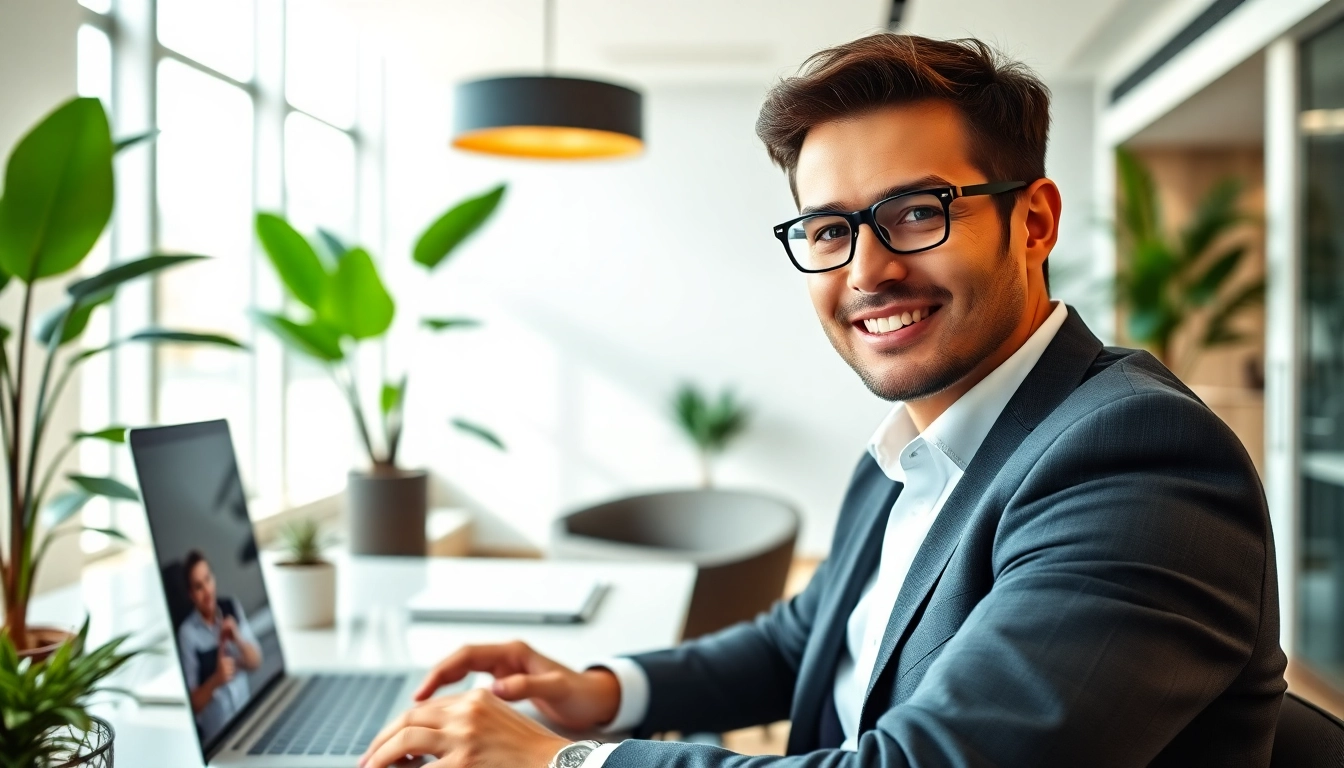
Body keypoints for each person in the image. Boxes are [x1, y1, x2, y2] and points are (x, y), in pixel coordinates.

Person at [360, 34, 1287, 768]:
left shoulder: (1137, 456)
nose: (868, 270)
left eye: (918, 211)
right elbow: (809, 637)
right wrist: (601, 691)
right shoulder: (915, 447)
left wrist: (565, 761)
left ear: (1033, 221)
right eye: (829, 228)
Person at [177, 548, 263, 738]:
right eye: (199, 587)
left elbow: (256, 662)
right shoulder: (187, 634)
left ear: (214, 579)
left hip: (248, 720)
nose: (207, 591)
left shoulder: (231, 606)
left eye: (208, 580)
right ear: (191, 594)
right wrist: (217, 679)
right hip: (219, 735)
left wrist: (237, 639)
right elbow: (193, 705)